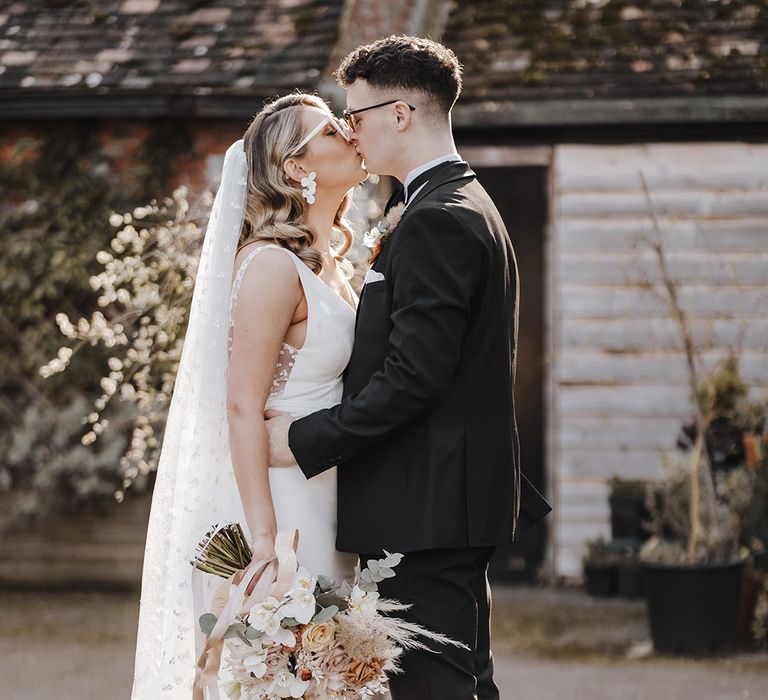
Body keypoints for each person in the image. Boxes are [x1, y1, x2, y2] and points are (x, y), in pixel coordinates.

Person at [265, 36, 551, 700]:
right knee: (463, 684)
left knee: (436, 689)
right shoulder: (457, 202)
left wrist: (306, 438)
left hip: (426, 509)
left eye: (357, 117)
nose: (351, 133)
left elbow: (415, 375)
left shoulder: (437, 219)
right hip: (442, 501)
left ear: (401, 114)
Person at [131, 93, 369, 698]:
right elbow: (241, 405)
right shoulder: (269, 266)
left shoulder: (330, 263)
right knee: (290, 674)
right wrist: (263, 540)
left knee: (334, 675)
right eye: (331, 130)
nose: (350, 133)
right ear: (296, 167)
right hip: (284, 504)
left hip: (330, 487)